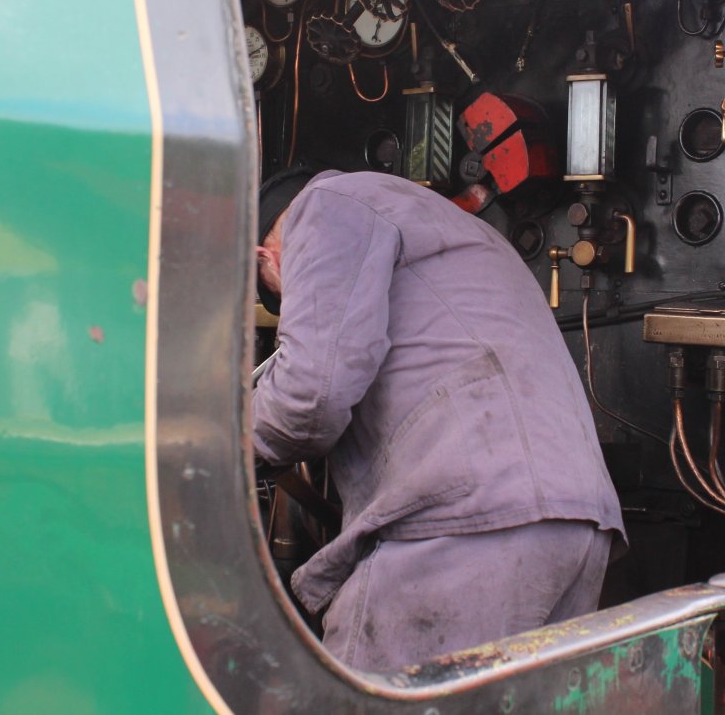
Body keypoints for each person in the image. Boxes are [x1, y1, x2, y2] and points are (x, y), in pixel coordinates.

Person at [252, 166, 625, 672]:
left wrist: (216, 445)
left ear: (267, 259)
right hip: (575, 521)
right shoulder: (456, 229)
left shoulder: (326, 205)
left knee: (365, 704)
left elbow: (309, 397)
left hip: (467, 521)